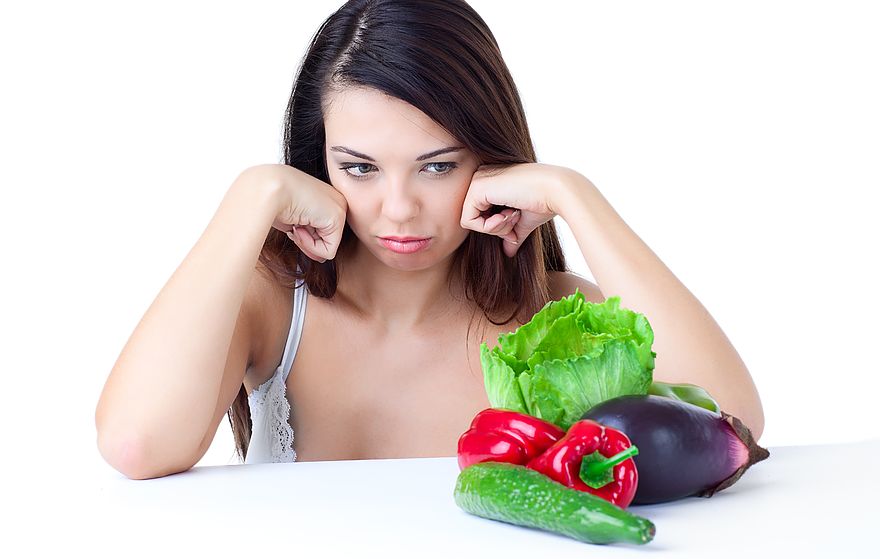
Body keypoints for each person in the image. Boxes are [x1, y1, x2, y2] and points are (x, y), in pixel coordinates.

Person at [95, 0, 764, 479]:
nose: (399, 210)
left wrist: (573, 196)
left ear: (491, 158)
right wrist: (249, 199)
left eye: (437, 165)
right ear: (318, 160)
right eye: (359, 167)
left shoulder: (550, 318)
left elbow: (731, 429)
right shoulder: (271, 302)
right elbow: (134, 443)